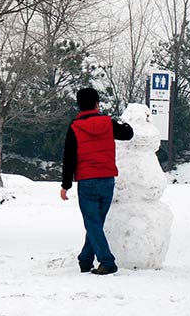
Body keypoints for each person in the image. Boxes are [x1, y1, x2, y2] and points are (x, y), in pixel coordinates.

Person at [60, 87, 133, 275]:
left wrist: (65, 185)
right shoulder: (108, 122)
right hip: (107, 179)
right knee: (96, 223)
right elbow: (128, 134)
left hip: (87, 181)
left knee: (93, 222)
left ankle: (106, 261)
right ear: (96, 104)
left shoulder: (75, 126)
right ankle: (85, 260)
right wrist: (124, 123)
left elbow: (69, 158)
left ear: (79, 105)